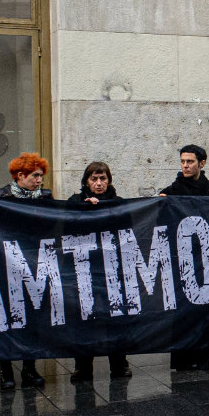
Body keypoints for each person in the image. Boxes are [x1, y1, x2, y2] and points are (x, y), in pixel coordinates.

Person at [0, 153, 52, 389]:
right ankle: (5, 370)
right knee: (6, 317)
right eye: (35, 176)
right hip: (7, 264)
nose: (39, 181)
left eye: (40, 176)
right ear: (20, 175)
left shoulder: (45, 197)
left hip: (34, 263)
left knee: (32, 315)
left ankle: (29, 368)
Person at [64, 162, 132, 383]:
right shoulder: (75, 202)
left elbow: (127, 228)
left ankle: (119, 364)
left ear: (109, 181)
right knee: (85, 319)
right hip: (84, 270)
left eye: (103, 179)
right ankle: (83, 367)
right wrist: (85, 209)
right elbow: (66, 227)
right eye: (94, 179)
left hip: (112, 270)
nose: (99, 183)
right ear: (86, 181)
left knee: (116, 317)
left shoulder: (119, 204)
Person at [161, 145, 209, 371]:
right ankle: (181, 359)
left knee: (205, 309)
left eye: (190, 162)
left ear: (202, 163)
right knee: (181, 312)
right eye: (183, 161)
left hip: (206, 259)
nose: (185, 166)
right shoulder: (170, 191)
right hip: (181, 260)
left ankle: (203, 357)